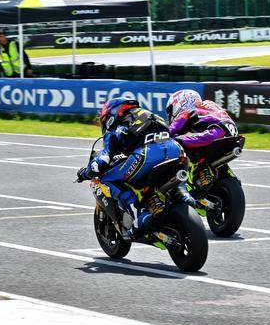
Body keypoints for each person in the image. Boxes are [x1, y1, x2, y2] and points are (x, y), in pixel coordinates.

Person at [77, 98, 188, 240]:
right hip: (176, 150)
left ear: (111, 116)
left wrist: (85, 173)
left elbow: (102, 161)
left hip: (148, 154)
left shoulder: (118, 127)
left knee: (106, 179)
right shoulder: (150, 115)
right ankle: (183, 194)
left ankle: (139, 214)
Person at [166, 89, 237, 150]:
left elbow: (174, 127)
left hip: (216, 133)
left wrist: (166, 133)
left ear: (182, 102)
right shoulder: (209, 104)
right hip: (233, 135)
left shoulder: (186, 112)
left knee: (176, 140)